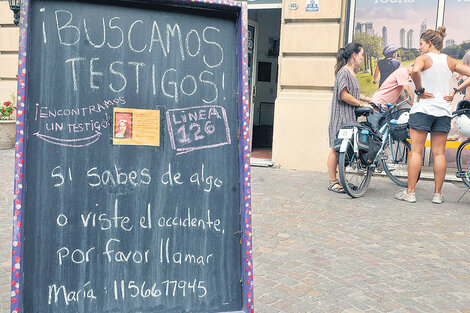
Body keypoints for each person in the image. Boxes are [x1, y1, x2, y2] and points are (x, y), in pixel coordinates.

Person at [394, 26, 470, 204]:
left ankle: (410, 192)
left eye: (421, 44)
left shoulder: (423, 58)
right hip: (443, 112)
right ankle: (437, 194)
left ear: (429, 43)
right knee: (439, 154)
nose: (419, 47)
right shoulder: (450, 61)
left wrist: (419, 90)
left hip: (423, 110)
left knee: (416, 152)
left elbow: (414, 71)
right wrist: (456, 90)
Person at [327, 42, 374, 193]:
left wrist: (368, 99)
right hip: (340, 116)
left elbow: (352, 92)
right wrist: (360, 104)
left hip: (349, 117)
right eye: (361, 55)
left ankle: (341, 180)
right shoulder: (344, 72)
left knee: (343, 150)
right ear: (354, 55)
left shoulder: (352, 73)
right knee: (336, 149)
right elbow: (344, 94)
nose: (362, 58)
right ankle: (333, 182)